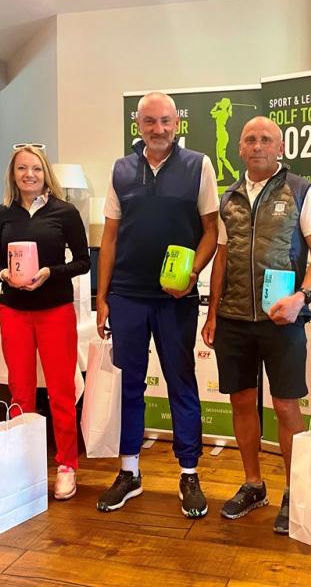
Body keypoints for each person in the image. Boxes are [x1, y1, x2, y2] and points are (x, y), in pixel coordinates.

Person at [201, 116, 311, 534]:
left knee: (286, 406)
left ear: (280, 148)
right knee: (241, 401)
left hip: (282, 320)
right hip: (234, 319)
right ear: (240, 148)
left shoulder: (301, 191)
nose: (258, 146)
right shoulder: (229, 198)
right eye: (250, 139)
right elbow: (222, 257)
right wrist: (212, 312)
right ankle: (254, 485)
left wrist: (302, 296)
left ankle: (295, 491)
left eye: (266, 140)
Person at [96, 92, 219, 517]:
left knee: (181, 383)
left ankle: (189, 473)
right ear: (138, 125)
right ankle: (129, 471)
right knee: (129, 385)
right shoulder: (121, 170)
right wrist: (102, 297)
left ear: (177, 123)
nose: (158, 129)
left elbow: (211, 231)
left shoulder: (198, 165)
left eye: (165, 121)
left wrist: (192, 274)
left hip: (176, 298)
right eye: (150, 121)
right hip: (127, 296)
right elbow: (110, 237)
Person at [0, 145, 90, 500]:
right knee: (20, 390)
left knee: (61, 391)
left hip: (55, 310)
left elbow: (83, 261)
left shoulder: (65, 212)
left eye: (35, 168)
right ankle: (24, 463)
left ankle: (66, 465)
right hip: (13, 309)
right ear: (12, 174)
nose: (29, 174)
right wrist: (4, 274)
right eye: (22, 169)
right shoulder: (2, 214)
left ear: (45, 173)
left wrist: (50, 272)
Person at [210, 97, 240, 183]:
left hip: (223, 136)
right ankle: (220, 175)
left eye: (222, 102)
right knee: (218, 157)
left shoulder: (221, 113)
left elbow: (211, 112)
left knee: (222, 157)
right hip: (220, 136)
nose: (220, 103)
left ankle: (234, 173)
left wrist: (216, 106)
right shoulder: (223, 112)